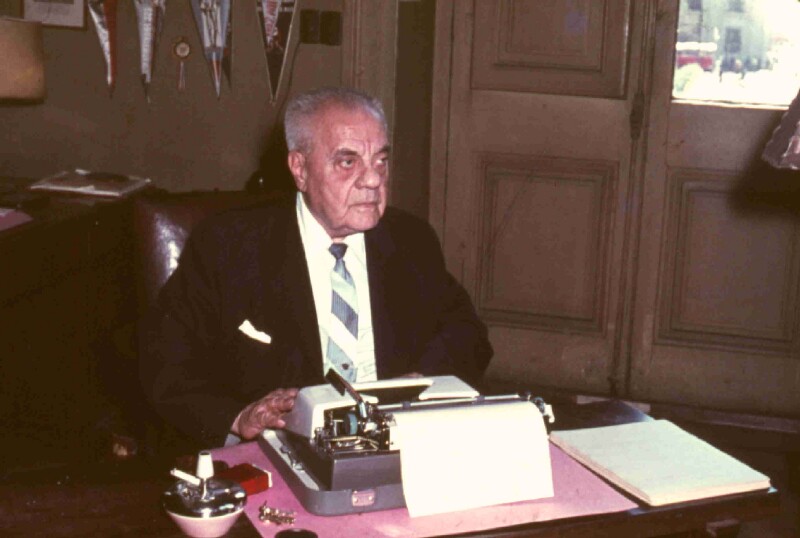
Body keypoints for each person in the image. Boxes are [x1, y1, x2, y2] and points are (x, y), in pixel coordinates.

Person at [139, 87, 493, 449]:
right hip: (277, 445)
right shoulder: (230, 246)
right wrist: (239, 417)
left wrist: (420, 383)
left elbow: (467, 333)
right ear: (300, 169)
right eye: (348, 162)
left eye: (381, 161)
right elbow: (163, 363)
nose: (373, 180)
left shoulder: (410, 240)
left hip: (395, 438)